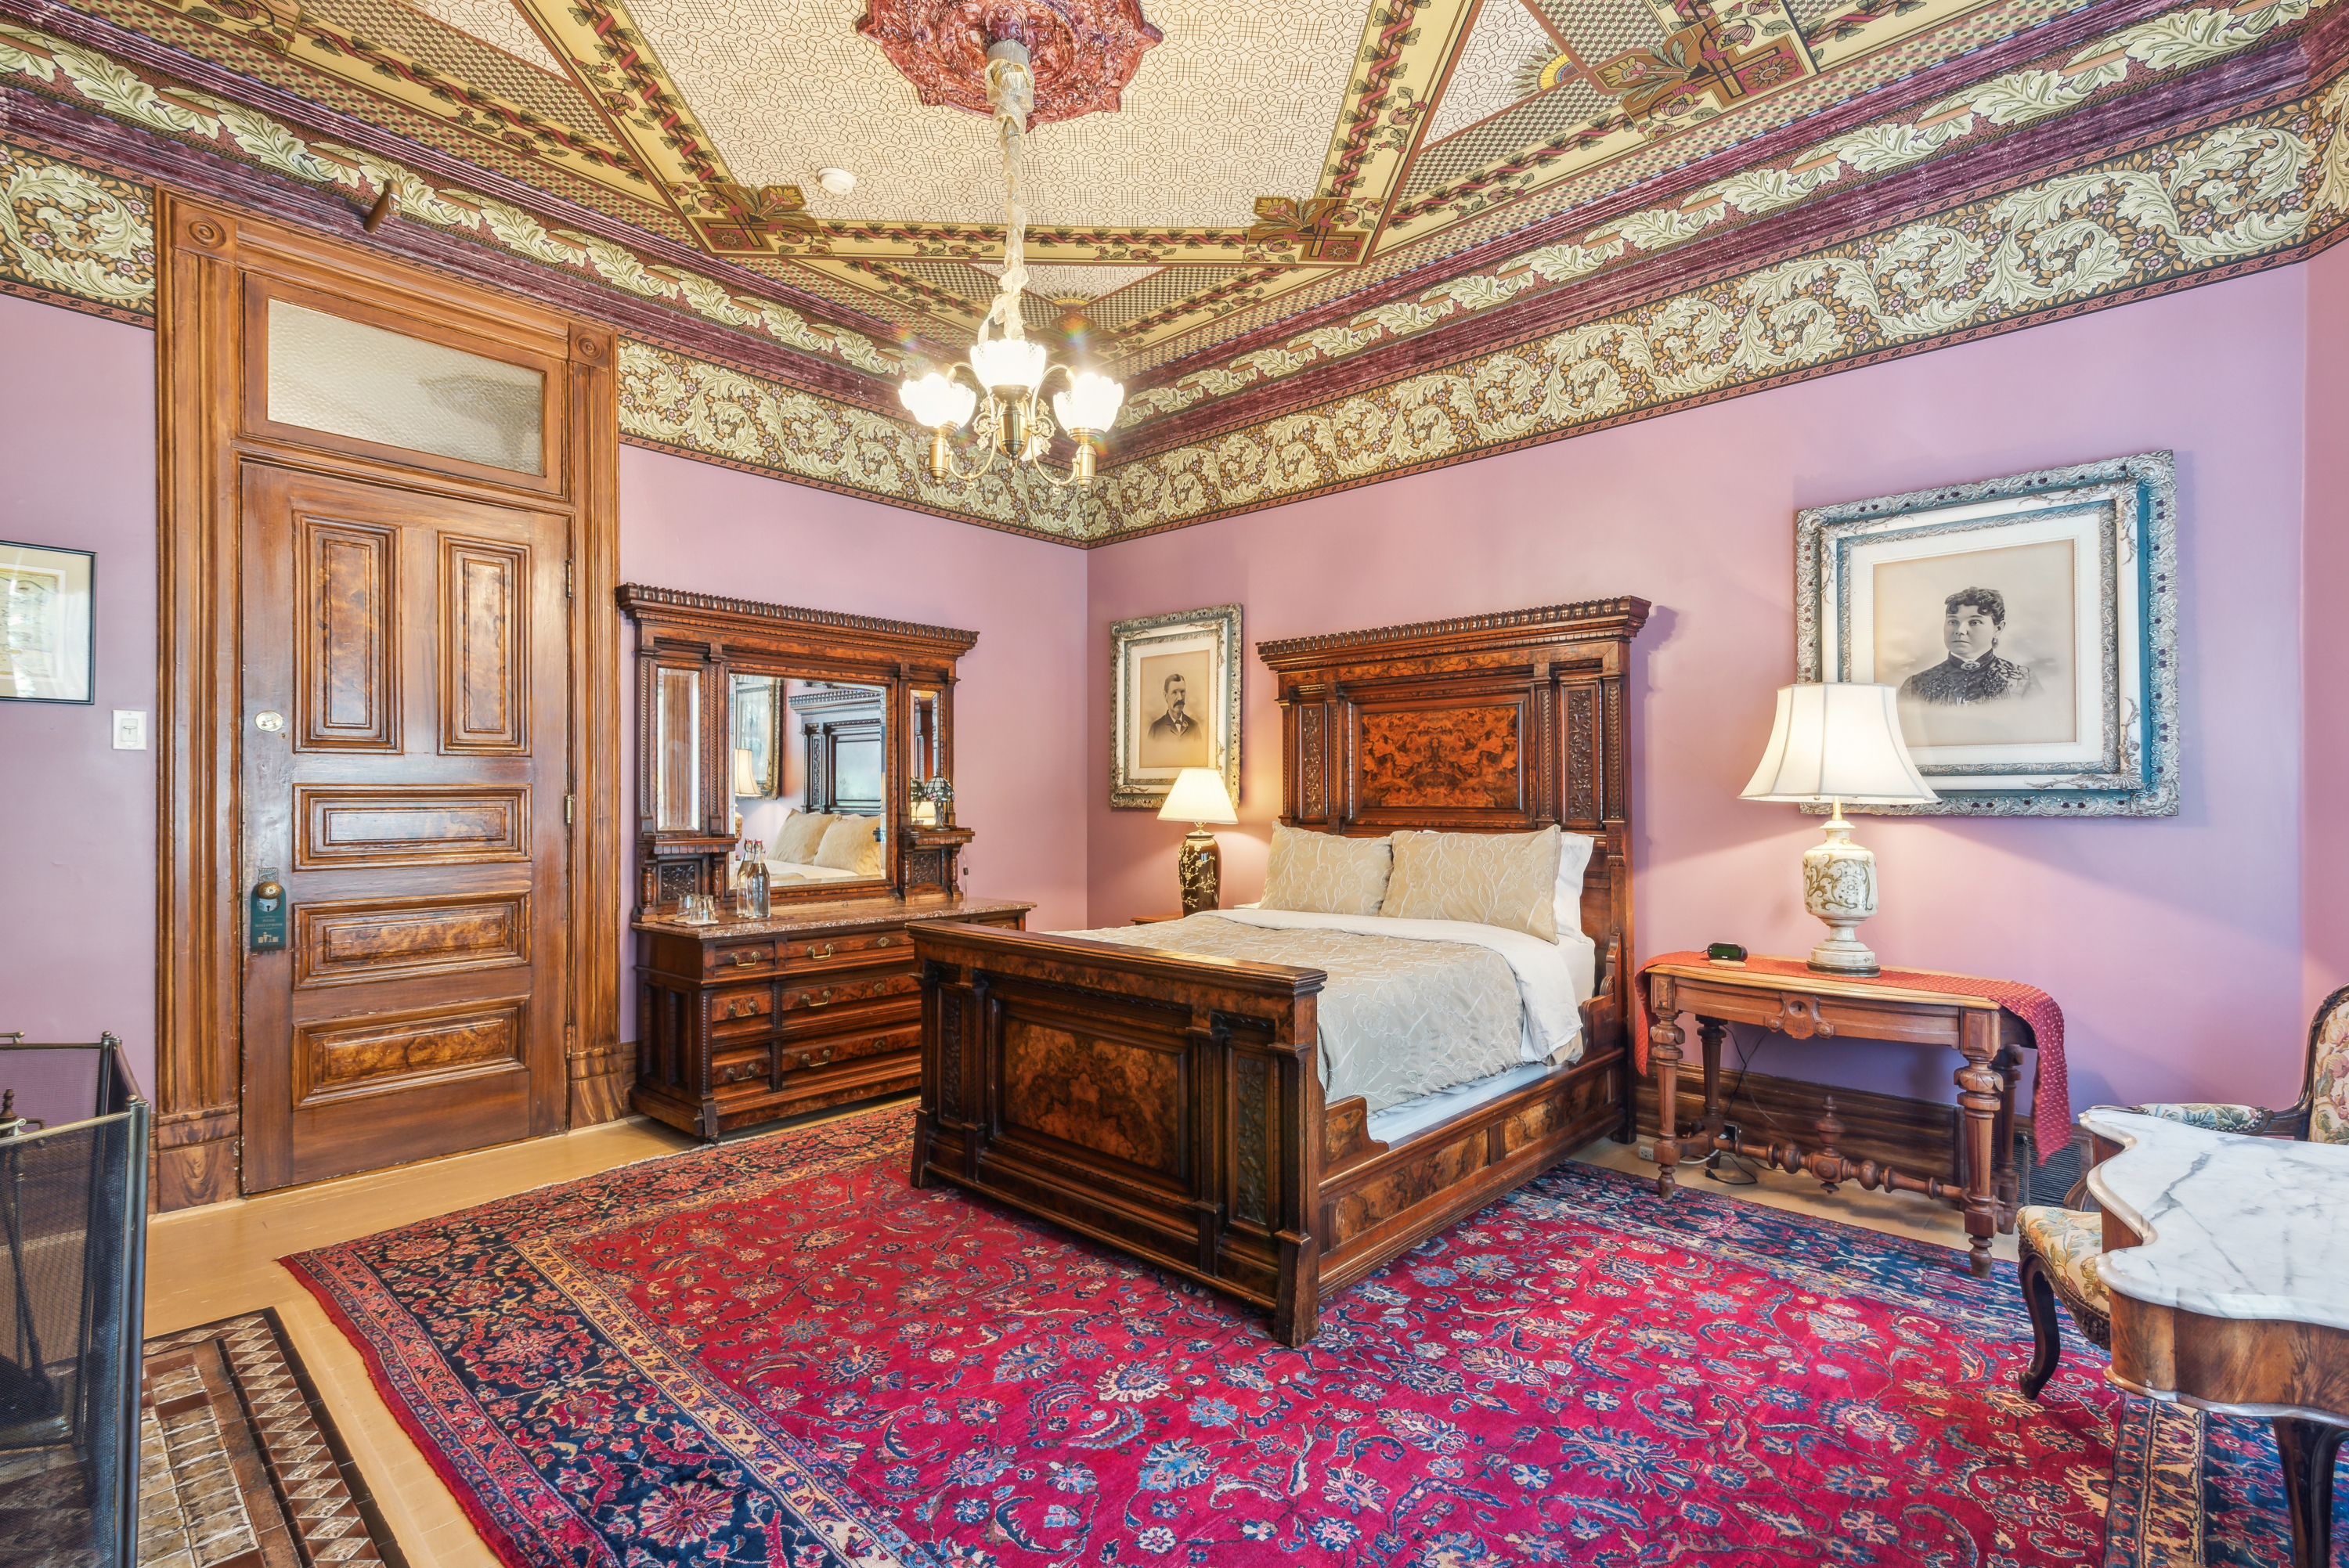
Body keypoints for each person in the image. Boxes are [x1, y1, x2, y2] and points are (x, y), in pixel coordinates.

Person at [1900, 587, 2039, 705]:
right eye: (1953, 622)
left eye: (1974, 622)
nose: (1960, 630)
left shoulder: (2023, 680)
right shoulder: (1915, 685)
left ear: (1998, 629)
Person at [1149, 671, 1198, 740]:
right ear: (1166, 695)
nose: (1180, 698)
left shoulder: (1195, 727)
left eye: (1182, 692)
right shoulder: (1155, 729)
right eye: (1174, 692)